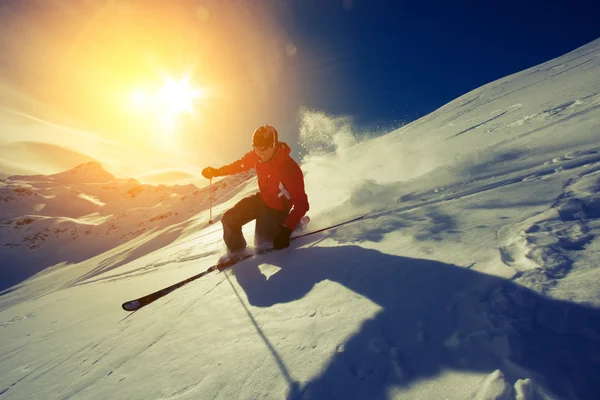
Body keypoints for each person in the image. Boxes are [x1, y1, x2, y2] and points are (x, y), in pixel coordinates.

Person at [202, 125, 309, 257]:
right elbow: (240, 165)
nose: (259, 152)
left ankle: (296, 224)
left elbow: (301, 204)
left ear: (274, 144)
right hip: (261, 200)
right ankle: (237, 252)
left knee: (264, 243)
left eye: (263, 148)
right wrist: (216, 172)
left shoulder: (289, 168)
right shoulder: (257, 155)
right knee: (229, 219)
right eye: (256, 147)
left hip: (278, 210)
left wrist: (286, 230)